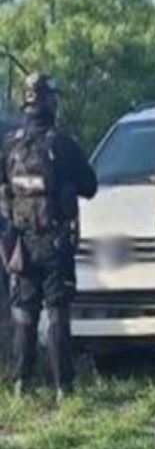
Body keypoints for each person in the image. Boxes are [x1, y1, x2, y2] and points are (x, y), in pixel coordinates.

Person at [0, 73, 98, 401]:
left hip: (21, 244)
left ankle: (20, 384)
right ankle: (63, 388)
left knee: (23, 314)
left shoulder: (10, 144)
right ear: (50, 102)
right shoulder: (62, 144)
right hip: (55, 243)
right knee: (57, 313)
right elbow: (91, 186)